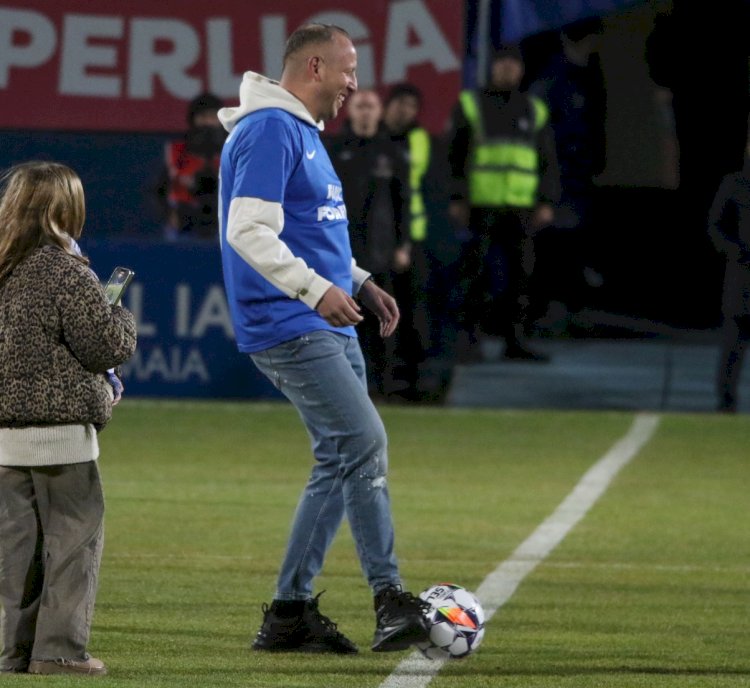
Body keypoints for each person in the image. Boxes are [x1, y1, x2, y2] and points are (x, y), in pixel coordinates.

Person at [217, 24, 430, 654]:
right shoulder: (269, 130)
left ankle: (288, 613)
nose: (355, 85)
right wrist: (315, 290)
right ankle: (389, 599)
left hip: (322, 317)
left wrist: (358, 279)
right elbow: (247, 231)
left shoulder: (298, 131)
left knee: (341, 461)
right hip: (290, 322)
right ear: (314, 65)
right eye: (348, 70)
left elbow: (311, 228)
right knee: (363, 441)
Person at [0, 162, 137, 675]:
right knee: (71, 548)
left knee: (19, 556)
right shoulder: (64, 270)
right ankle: (58, 652)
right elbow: (105, 343)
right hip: (62, 440)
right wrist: (118, 310)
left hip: (6, 441)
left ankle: (15, 652)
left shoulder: (3, 266)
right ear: (65, 210)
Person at [447, 44, 560, 362]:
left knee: (522, 279)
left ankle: (516, 341)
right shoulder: (471, 105)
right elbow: (453, 157)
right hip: (480, 207)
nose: (508, 69)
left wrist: (547, 201)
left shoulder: (534, 109)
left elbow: (547, 160)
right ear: (492, 68)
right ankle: (471, 342)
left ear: (521, 70)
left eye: (513, 63)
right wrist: (457, 198)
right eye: (502, 63)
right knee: (475, 277)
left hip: (522, 209)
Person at [324, 89, 411, 399]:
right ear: (350, 112)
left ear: (379, 112)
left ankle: (383, 386)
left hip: (381, 252)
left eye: (370, 107)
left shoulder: (392, 153)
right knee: (345, 322)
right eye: (359, 106)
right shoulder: (334, 150)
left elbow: (404, 203)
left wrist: (404, 245)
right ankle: (348, 387)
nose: (364, 112)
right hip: (342, 252)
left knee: (383, 320)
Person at [527, 18, 607, 327]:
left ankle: (561, 309)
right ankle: (546, 312)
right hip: (558, 181)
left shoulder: (584, 77)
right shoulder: (552, 81)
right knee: (552, 246)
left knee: (568, 244)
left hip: (576, 178)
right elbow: (543, 137)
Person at [381, 83, 447, 399]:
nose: (404, 110)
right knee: (381, 311)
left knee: (415, 309)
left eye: (410, 105)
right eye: (399, 103)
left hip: (415, 238)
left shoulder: (422, 140)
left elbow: (427, 189)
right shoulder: (375, 139)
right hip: (380, 240)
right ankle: (388, 375)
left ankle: (418, 376)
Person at [708, 139, 750, 412]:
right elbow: (715, 226)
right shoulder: (735, 184)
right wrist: (736, 251)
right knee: (734, 340)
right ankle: (725, 397)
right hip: (742, 275)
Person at [154, 92, 226, 241]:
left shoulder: (233, 153)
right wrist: (169, 214)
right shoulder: (175, 152)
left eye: (212, 117)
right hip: (182, 224)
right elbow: (155, 191)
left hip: (221, 224)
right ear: (193, 120)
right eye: (203, 117)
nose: (208, 123)